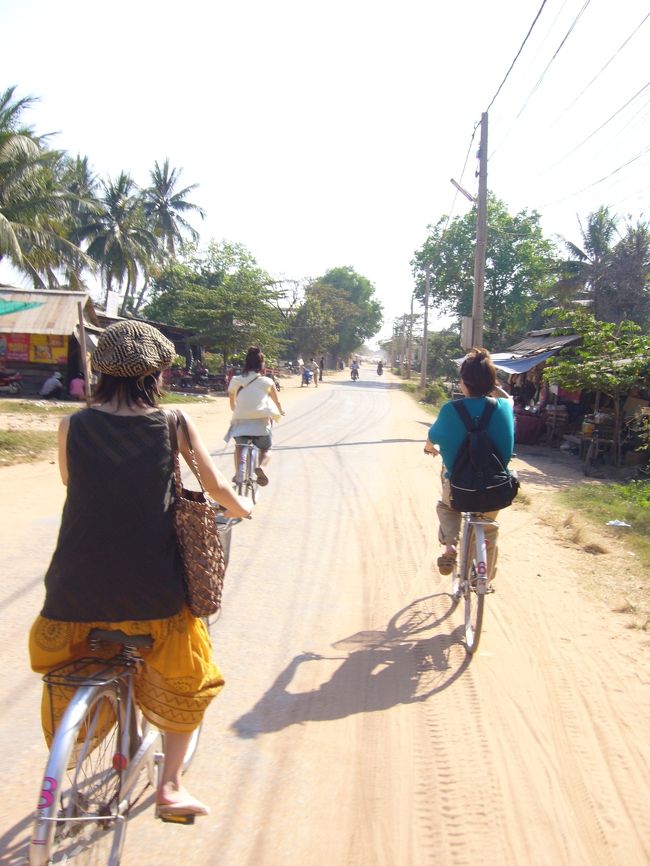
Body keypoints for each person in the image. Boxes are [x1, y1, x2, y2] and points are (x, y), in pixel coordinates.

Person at [29, 320, 252, 819]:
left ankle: (86, 739)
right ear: (158, 372)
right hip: (154, 595)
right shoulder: (173, 422)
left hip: (71, 595)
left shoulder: (72, 426)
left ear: (101, 370)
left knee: (78, 664)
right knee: (191, 675)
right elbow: (216, 487)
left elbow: (70, 481)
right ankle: (169, 787)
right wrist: (243, 508)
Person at [424, 348, 514, 583]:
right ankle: (482, 579)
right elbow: (506, 398)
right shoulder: (504, 408)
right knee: (488, 526)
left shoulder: (450, 410)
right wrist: (492, 386)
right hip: (495, 488)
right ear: (491, 382)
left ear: (463, 382)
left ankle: (450, 546)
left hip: (461, 488)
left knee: (447, 507)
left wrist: (429, 447)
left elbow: (432, 438)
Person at [227, 346, 285, 485]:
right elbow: (276, 402)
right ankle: (261, 467)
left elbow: (232, 402)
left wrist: (236, 410)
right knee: (266, 449)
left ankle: (238, 473)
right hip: (261, 425)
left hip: (240, 422)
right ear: (262, 366)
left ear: (246, 363)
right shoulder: (267, 381)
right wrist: (281, 411)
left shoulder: (236, 380)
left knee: (239, 446)